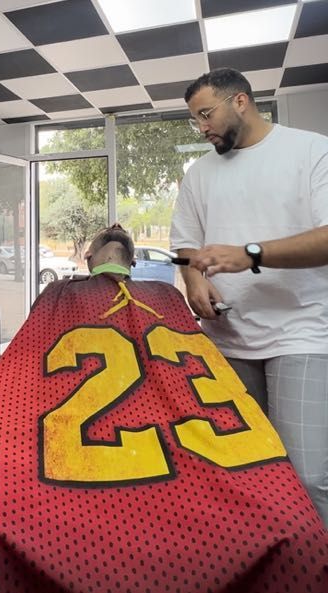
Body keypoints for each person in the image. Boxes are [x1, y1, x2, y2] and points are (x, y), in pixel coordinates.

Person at [0, 223, 328, 593]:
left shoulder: (71, 293)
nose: (115, 227)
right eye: (108, 231)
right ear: (93, 258)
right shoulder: (141, 294)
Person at [170, 67, 328, 526]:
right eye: (195, 120)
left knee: (306, 475)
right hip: (227, 338)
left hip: (300, 334)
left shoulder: (311, 151)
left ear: (240, 101)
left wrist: (251, 254)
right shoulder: (199, 174)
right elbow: (186, 245)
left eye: (206, 114)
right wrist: (193, 281)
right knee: (246, 472)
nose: (202, 127)